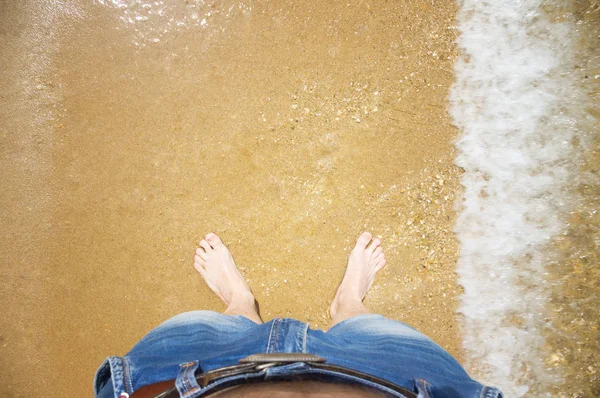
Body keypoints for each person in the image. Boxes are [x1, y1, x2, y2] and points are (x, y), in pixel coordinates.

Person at [94, 232, 503, 398]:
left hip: (195, 373)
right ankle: (349, 305)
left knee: (226, 326)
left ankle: (240, 304)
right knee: (369, 328)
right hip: (396, 378)